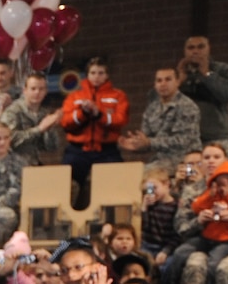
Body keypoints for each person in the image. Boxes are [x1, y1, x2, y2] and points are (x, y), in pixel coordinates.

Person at [59, 56, 131, 193]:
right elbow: (66, 123)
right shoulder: (74, 97)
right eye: (93, 73)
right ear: (87, 75)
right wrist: (83, 113)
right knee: (66, 186)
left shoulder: (118, 96)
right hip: (77, 150)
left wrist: (99, 114)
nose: (96, 77)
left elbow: (121, 120)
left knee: (118, 186)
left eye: (101, 73)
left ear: (107, 75)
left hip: (107, 150)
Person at [123, 65, 203, 168]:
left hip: (186, 160)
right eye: (159, 81)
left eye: (168, 79)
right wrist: (136, 144)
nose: (163, 84)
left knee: (145, 174)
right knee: (132, 173)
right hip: (160, 160)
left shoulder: (187, 106)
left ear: (177, 82)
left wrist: (149, 142)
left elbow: (184, 140)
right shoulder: (152, 108)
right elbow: (146, 139)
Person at [177, 36, 228, 147]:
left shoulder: (222, 69)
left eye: (200, 47)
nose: (195, 51)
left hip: (216, 138)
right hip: (185, 140)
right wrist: (179, 81)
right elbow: (162, 102)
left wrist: (207, 74)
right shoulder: (178, 75)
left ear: (208, 49)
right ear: (185, 51)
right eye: (191, 48)